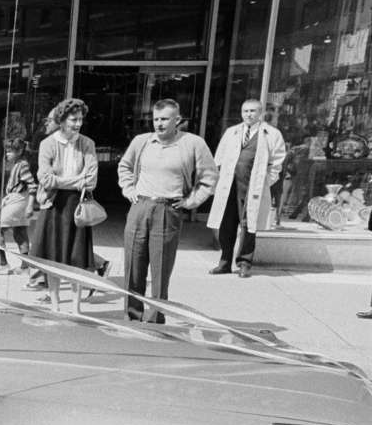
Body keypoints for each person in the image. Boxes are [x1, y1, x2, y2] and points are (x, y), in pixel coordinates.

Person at [117, 98, 218, 324]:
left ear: (177, 120)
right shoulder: (141, 141)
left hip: (168, 209)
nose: (159, 124)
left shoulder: (193, 143)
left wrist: (192, 201)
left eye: (165, 119)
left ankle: (154, 319)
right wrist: (128, 188)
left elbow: (209, 176)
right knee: (133, 265)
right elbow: (124, 166)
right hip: (140, 206)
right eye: (155, 119)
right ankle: (132, 317)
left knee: (161, 269)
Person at [27, 98, 99, 305]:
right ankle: (56, 304)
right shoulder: (47, 144)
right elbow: (45, 179)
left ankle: (76, 307)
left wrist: (61, 182)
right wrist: (77, 180)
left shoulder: (87, 144)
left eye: (80, 119)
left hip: (77, 207)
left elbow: (91, 180)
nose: (77, 124)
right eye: (73, 119)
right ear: (61, 119)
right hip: (53, 205)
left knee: (76, 260)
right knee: (52, 257)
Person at [207, 98, 287, 278]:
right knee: (226, 223)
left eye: (253, 111)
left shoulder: (271, 134)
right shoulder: (231, 132)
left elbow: (277, 162)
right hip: (230, 186)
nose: (249, 115)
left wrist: (266, 181)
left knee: (248, 225)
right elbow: (218, 159)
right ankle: (225, 261)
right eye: (245, 111)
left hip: (252, 187)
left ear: (260, 113)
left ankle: (244, 262)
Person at [0, 138, 36, 270]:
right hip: (17, 199)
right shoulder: (18, 164)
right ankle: (25, 266)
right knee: (20, 231)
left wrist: (30, 205)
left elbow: (32, 185)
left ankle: (3, 263)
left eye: (10, 151)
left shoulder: (22, 165)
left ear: (20, 151)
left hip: (18, 200)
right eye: (7, 151)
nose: (7, 154)